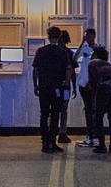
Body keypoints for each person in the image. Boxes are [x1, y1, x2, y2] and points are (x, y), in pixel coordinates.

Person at [33, 26, 74, 154]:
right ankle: (52, 141)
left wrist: (35, 85)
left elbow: (35, 70)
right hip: (57, 88)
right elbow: (68, 68)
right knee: (56, 114)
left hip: (44, 87)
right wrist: (66, 82)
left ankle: (45, 142)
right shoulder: (62, 52)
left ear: (48, 36)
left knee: (44, 114)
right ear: (59, 37)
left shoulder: (41, 51)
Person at [87, 46, 111, 154]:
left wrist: (94, 97)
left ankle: (102, 145)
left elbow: (93, 82)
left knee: (99, 116)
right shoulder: (110, 65)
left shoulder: (92, 63)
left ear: (96, 55)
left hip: (103, 86)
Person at [74, 28, 99, 148]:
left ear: (93, 36)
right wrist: (81, 44)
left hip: (92, 84)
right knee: (88, 110)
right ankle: (90, 136)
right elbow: (74, 59)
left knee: (93, 110)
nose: (87, 38)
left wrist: (92, 82)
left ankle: (95, 136)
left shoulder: (97, 49)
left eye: (88, 35)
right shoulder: (85, 48)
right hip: (83, 83)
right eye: (85, 36)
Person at [55, 28, 76, 144]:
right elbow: (72, 71)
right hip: (66, 87)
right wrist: (74, 86)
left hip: (55, 85)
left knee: (54, 108)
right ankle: (62, 133)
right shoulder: (69, 53)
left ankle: (53, 132)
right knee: (64, 108)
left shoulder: (53, 52)